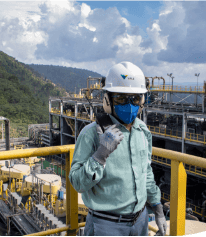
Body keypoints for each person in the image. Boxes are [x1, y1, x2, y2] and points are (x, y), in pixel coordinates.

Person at [69, 62, 168, 236]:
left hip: (141, 220)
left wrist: (158, 209)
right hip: (106, 225)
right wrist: (100, 155)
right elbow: (77, 182)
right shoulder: (91, 134)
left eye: (135, 99)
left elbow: (146, 172)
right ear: (108, 100)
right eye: (121, 99)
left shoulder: (142, 131)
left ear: (142, 101)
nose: (129, 105)